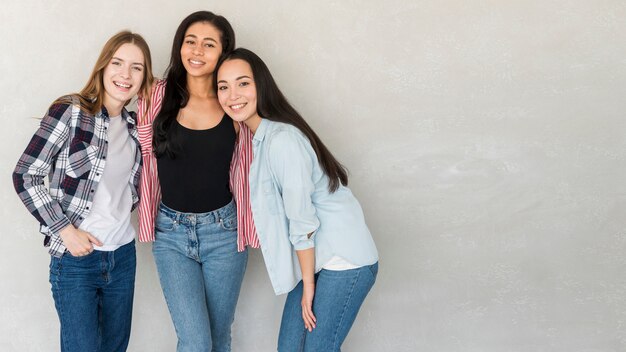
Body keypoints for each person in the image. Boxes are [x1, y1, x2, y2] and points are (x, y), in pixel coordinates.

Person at [215, 48, 379, 352]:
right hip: (317, 260)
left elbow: (301, 221)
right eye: (223, 87)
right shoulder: (260, 139)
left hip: (344, 259)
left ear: (261, 85)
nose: (232, 94)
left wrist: (308, 286)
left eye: (243, 83)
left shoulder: (282, 141)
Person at [12, 31, 154, 352]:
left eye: (137, 67)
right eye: (117, 63)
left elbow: (137, 192)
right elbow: (26, 174)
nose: (125, 74)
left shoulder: (136, 127)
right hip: (77, 261)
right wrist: (65, 231)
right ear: (102, 67)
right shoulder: (72, 112)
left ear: (144, 77)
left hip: (123, 257)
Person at [136, 11, 256, 352]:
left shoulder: (234, 101)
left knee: (219, 337)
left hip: (225, 232)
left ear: (223, 52)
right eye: (190, 41)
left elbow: (256, 161)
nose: (197, 51)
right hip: (171, 234)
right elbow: (137, 151)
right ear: (180, 47)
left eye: (209, 44)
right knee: (195, 341)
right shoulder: (155, 96)